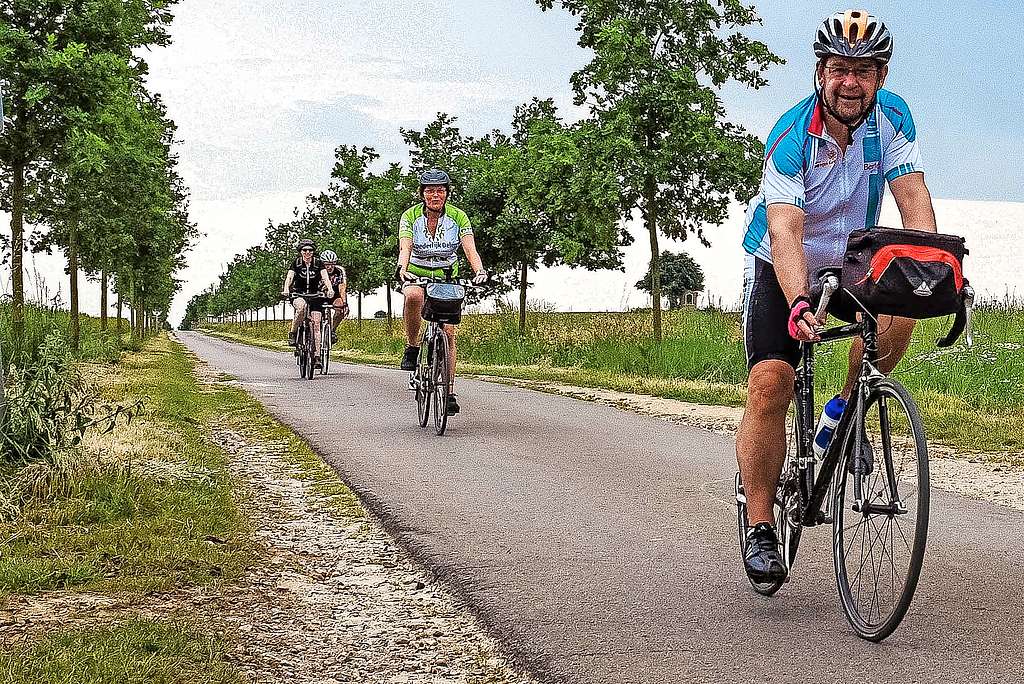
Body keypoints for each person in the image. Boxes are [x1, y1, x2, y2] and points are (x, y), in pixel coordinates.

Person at [736, 10, 937, 583]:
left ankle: (846, 410)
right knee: (771, 381)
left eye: (864, 71)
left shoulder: (893, 118)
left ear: (881, 76)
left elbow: (912, 199)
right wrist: (799, 302)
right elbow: (786, 232)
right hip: (783, 263)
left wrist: (931, 266)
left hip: (851, 261)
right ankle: (759, 526)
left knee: (902, 307)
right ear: (821, 73)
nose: (851, 82)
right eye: (840, 69)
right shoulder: (791, 135)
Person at [395, 169, 488, 415]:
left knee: (448, 332)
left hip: (447, 277)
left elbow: (470, 249)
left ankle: (448, 392)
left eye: (440, 190)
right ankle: (413, 346)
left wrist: (479, 271)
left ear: (447, 193)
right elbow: (405, 247)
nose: (435, 195)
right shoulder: (410, 216)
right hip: (417, 273)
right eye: (429, 191)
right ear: (422, 194)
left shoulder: (458, 217)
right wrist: (401, 268)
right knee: (413, 295)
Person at [281, 238, 334, 367]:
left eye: (310, 250)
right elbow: (289, 277)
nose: (307, 253)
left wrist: (330, 289)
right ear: (301, 251)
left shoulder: (318, 264)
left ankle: (316, 356)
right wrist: (286, 289)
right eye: (305, 250)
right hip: (299, 294)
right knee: (301, 308)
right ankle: (293, 333)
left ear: (313, 252)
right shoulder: (297, 263)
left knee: (316, 323)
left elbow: (325, 277)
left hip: (315, 295)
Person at [319, 249, 349, 344]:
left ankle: (332, 330)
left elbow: (342, 288)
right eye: (327, 264)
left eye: (332, 263)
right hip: (319, 296)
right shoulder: (317, 271)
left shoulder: (339, 271)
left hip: (334, 296)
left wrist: (345, 303)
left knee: (340, 308)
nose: (330, 266)